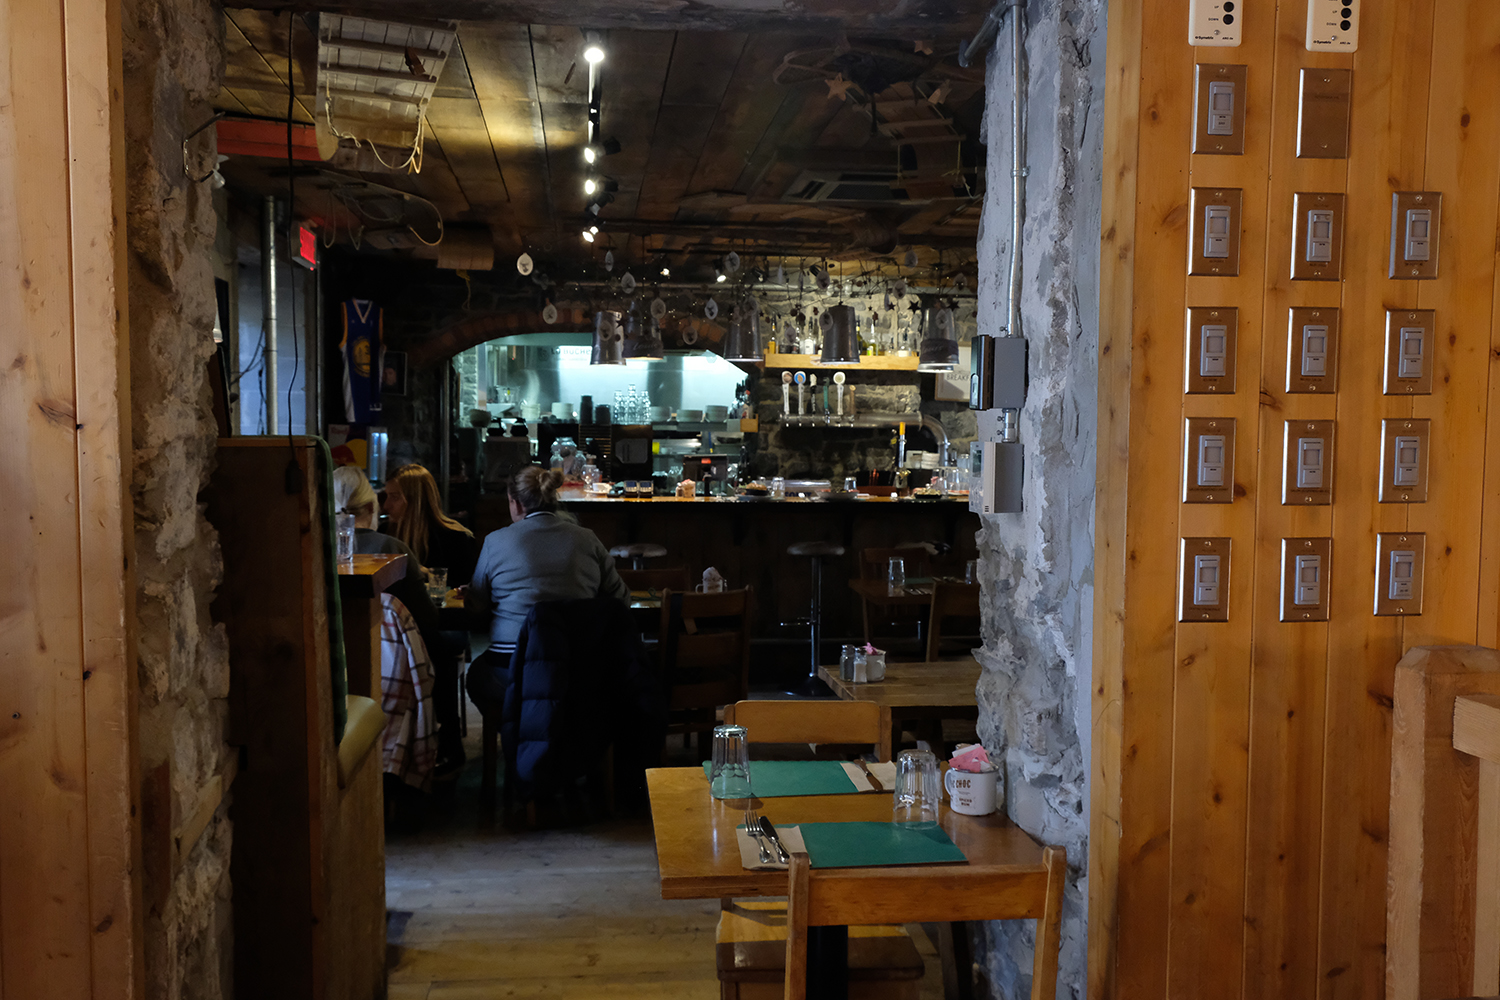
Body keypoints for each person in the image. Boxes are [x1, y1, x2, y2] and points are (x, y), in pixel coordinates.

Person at [333, 466, 463, 773]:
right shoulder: (393, 551)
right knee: (444, 652)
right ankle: (447, 748)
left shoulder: (318, 550)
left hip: (338, 665)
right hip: (397, 672)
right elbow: (427, 622)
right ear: (369, 507)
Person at [465, 465, 630, 704]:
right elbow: (621, 600)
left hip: (512, 664)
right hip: (578, 664)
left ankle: (518, 732)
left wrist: (471, 594)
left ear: (516, 503)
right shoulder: (588, 539)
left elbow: (477, 603)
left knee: (477, 677)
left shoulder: (495, 541)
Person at [381, 463, 480, 589]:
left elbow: (467, 590)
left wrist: (425, 574)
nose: (386, 505)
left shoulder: (455, 538)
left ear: (417, 501)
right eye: (387, 496)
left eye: (395, 497)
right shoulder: (385, 533)